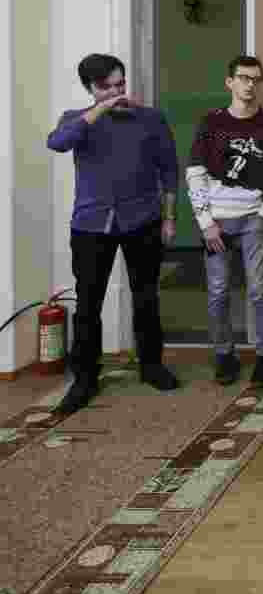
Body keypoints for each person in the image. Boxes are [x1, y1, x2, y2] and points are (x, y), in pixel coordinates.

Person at [47, 53, 180, 415]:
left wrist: (169, 218)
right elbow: (57, 143)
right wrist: (98, 111)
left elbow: (169, 171)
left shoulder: (150, 119)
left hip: (143, 221)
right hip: (91, 225)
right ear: (90, 89)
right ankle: (85, 379)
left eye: (120, 84)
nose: (116, 92)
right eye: (106, 87)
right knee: (88, 304)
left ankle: (152, 365)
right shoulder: (76, 120)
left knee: (146, 297)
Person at [186, 56, 263, 387]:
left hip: (254, 219)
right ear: (229, 82)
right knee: (218, 291)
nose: (250, 85)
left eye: (255, 79)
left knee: (259, 290)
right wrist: (205, 221)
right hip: (216, 221)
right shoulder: (211, 123)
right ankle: (224, 355)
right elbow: (195, 172)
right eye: (243, 78)